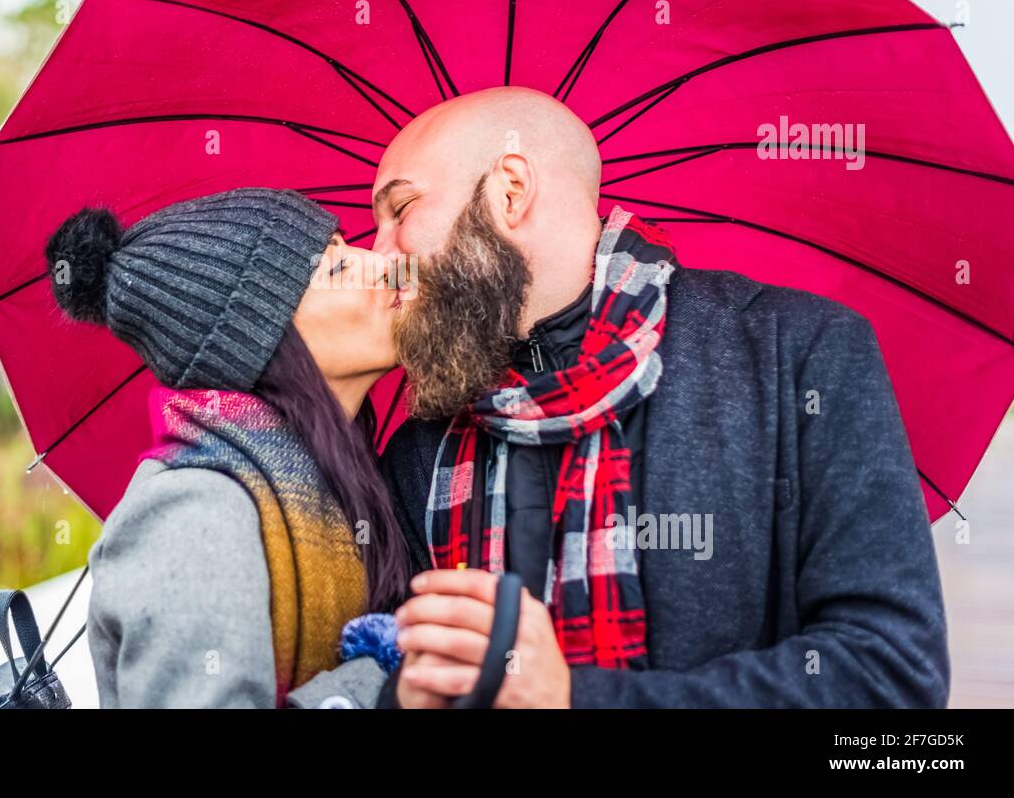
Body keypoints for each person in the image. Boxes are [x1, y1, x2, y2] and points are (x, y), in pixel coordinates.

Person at [371, 86, 949, 708]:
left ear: (510, 189)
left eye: (399, 210)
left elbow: (891, 677)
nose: (378, 255)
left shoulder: (798, 354)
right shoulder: (420, 444)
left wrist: (574, 699)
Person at [45, 187, 409, 707]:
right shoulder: (194, 513)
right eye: (335, 268)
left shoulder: (337, 486)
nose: (380, 265)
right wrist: (382, 685)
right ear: (258, 336)